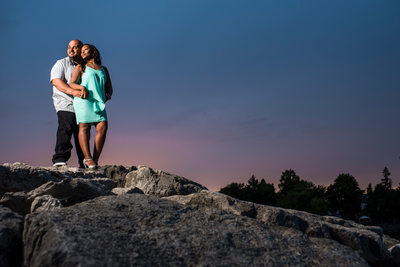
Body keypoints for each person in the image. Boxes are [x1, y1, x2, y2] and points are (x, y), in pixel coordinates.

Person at [70, 44, 113, 169]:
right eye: (81, 51)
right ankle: (88, 159)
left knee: (102, 127)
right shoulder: (80, 67)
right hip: (84, 101)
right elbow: (72, 83)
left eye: (85, 50)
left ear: (93, 51)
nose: (82, 53)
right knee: (84, 127)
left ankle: (95, 159)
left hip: (98, 102)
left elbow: (109, 88)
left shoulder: (103, 69)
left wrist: (107, 96)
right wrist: (81, 87)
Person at [50, 40, 88, 168]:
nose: (71, 50)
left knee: (82, 132)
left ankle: (84, 161)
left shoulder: (86, 66)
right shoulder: (61, 63)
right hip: (65, 102)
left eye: (75, 47)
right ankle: (59, 159)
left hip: (81, 105)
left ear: (81, 49)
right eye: (69, 47)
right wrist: (72, 91)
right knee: (65, 128)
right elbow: (56, 81)